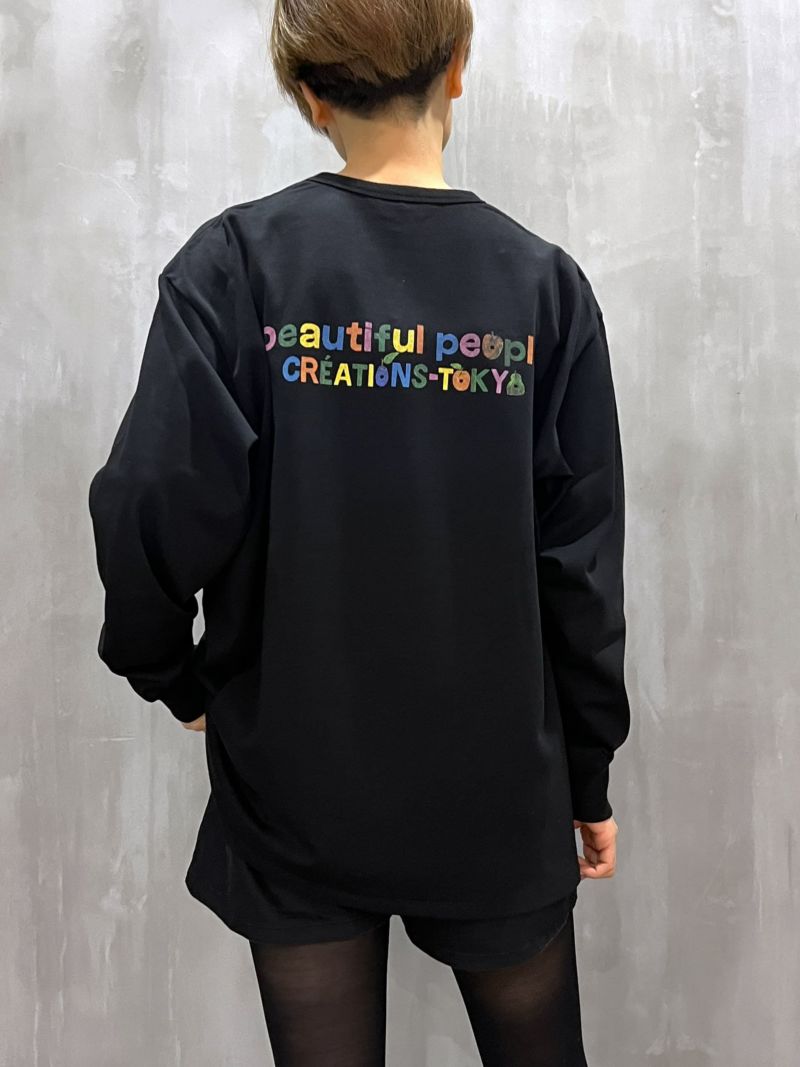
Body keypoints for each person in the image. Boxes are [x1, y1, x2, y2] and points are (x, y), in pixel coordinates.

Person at [87, 0, 631, 1063]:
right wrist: (587, 771)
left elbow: (149, 498)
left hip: (295, 784)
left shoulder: (236, 265)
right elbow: (580, 568)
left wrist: (174, 677)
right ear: (458, 66)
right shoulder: (542, 287)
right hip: (494, 790)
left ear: (308, 93)